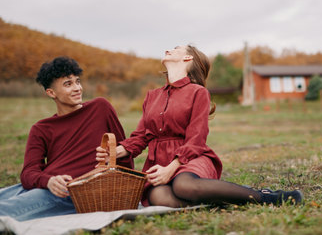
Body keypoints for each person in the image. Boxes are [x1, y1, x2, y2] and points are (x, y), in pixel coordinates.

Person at [96, 45, 303, 207]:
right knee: (160, 198)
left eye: (175, 49)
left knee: (183, 185)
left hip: (191, 158)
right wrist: (115, 151)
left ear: (188, 58)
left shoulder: (198, 93)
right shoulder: (152, 96)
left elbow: (196, 139)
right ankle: (220, 198)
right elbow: (141, 136)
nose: (168, 50)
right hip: (158, 163)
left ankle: (264, 197)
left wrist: (172, 168)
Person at [0, 57, 133, 221]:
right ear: (51, 93)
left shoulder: (100, 108)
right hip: (49, 184)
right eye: (68, 84)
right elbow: (28, 173)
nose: (77, 88)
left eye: (77, 82)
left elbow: (125, 158)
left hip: (76, 192)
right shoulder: (41, 128)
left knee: (6, 209)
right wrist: (48, 181)